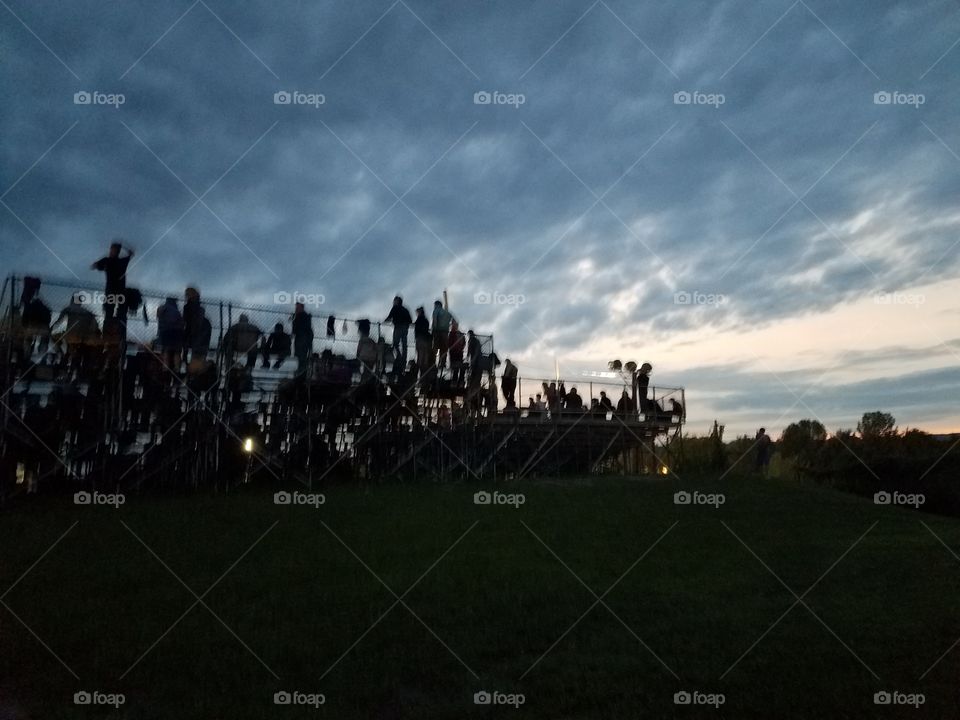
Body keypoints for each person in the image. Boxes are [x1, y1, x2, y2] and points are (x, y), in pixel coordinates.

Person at [91, 240, 133, 339]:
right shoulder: (121, 261)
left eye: (113, 250)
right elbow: (131, 253)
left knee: (111, 313)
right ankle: (116, 334)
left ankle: (108, 335)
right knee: (117, 313)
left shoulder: (108, 260)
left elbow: (94, 266)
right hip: (119, 291)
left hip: (112, 290)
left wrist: (99, 264)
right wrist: (123, 247)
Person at [384, 296, 412, 372]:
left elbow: (389, 317)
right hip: (405, 328)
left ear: (397, 301)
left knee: (396, 344)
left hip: (398, 327)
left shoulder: (395, 308)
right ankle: (403, 359)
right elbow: (410, 320)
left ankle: (399, 357)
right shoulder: (405, 310)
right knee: (404, 345)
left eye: (394, 301)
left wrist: (383, 321)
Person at [156, 297, 183, 372]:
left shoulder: (162, 308)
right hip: (177, 332)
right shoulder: (177, 311)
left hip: (166, 331)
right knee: (177, 351)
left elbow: (158, 318)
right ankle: (177, 368)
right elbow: (181, 322)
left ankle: (165, 367)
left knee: (166, 350)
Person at [291, 302, 313, 376]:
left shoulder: (302, 316)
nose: (296, 309)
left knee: (301, 356)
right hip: (302, 339)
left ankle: (302, 371)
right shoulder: (301, 316)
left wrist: (293, 320)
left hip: (302, 339)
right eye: (296, 307)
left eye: (297, 307)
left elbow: (296, 329)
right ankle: (302, 371)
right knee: (300, 356)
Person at [182, 287, 203, 365]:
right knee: (193, 349)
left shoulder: (187, 307)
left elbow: (185, 319)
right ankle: (191, 364)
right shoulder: (199, 307)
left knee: (186, 348)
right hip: (195, 330)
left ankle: (185, 364)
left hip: (190, 329)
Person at [431, 300, 453, 370]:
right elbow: (454, 321)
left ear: (437, 305)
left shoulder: (436, 311)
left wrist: (434, 330)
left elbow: (435, 321)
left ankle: (433, 363)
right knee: (444, 349)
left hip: (438, 332)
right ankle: (442, 363)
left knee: (435, 348)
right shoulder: (447, 313)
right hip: (445, 333)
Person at [448, 320, 466, 386]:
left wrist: (458, 349)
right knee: (457, 368)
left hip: (456, 353)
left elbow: (449, 343)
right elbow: (464, 343)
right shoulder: (457, 334)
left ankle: (457, 382)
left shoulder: (453, 334)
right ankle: (458, 382)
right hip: (456, 353)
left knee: (457, 368)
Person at [414, 307, 431, 373]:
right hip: (426, 340)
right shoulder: (426, 320)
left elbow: (417, 329)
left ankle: (417, 374)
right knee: (425, 358)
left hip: (420, 339)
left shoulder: (419, 320)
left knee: (420, 357)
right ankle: (424, 375)